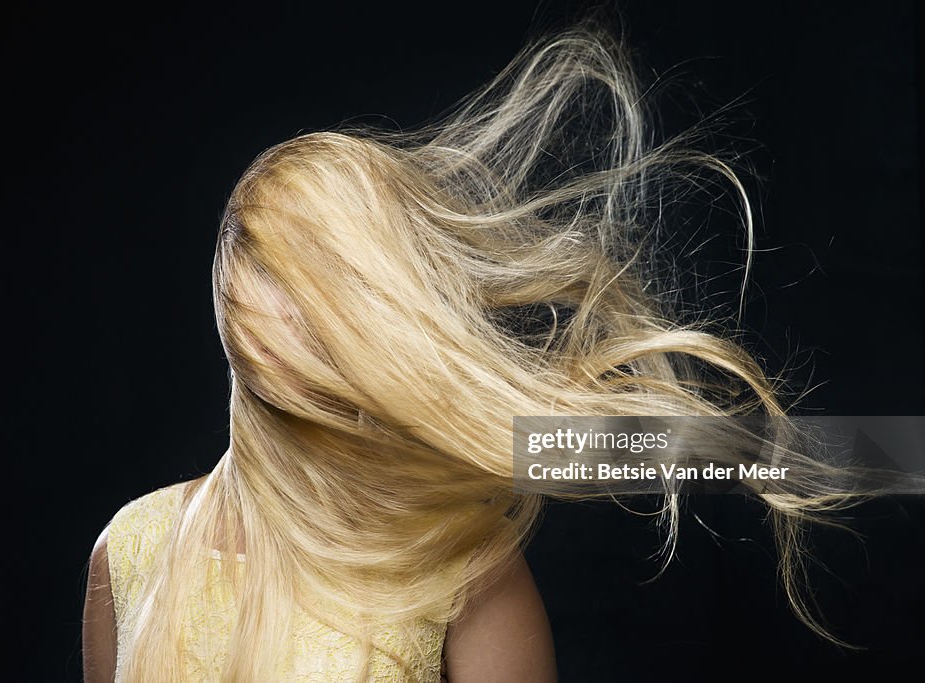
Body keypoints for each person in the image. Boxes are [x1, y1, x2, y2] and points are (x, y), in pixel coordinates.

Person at [82, 18, 859, 682]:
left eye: (335, 293)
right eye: (284, 293)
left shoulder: (459, 563)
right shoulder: (132, 548)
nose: (294, 331)